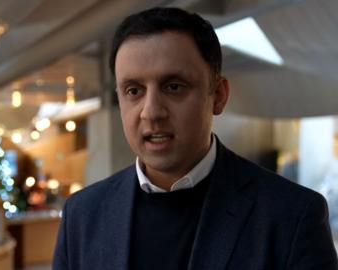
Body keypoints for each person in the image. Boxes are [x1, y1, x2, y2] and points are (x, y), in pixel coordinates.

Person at [53, 7, 338, 270]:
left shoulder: (292, 217)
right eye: (134, 91)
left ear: (219, 95)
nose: (151, 112)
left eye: (174, 86)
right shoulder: (82, 215)